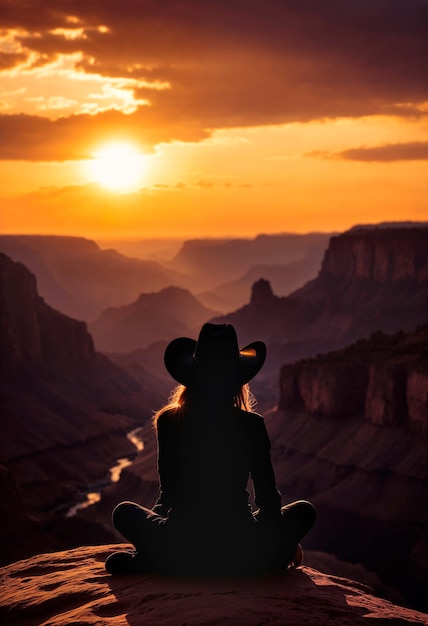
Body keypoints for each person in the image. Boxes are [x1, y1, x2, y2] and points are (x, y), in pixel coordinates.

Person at [105, 323, 316, 576]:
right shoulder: (251, 424)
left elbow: (168, 492)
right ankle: (260, 562)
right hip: (241, 546)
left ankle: (158, 559)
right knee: (304, 510)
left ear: (192, 375)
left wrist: (158, 536)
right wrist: (281, 542)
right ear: (237, 379)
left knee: (124, 512)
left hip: (181, 541)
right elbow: (268, 499)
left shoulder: (169, 421)